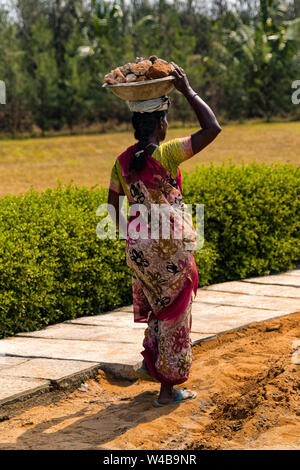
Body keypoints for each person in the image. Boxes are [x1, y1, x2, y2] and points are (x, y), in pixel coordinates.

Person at [108, 62, 221, 406]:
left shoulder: (121, 161)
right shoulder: (169, 154)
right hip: (172, 255)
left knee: (159, 310)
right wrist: (188, 91)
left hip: (140, 253)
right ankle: (167, 390)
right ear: (159, 124)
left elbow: (112, 207)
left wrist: (136, 238)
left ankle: (151, 365)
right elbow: (212, 127)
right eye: (166, 120)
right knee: (176, 316)